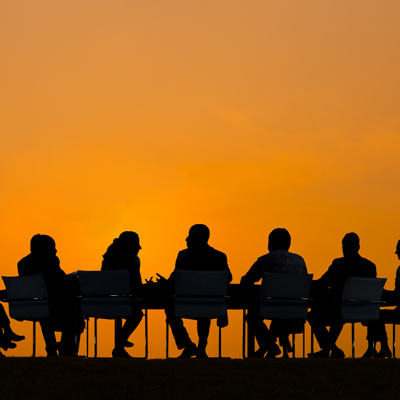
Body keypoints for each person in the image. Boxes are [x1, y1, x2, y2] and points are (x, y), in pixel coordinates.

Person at [159, 224, 232, 359]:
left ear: (196, 238)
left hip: (185, 304)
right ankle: (201, 347)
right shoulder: (219, 257)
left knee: (169, 309)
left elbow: (174, 279)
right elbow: (228, 278)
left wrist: (165, 283)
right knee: (204, 307)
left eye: (189, 236)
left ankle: (187, 345)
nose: (186, 239)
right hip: (212, 305)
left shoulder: (184, 255)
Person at [240, 228, 307, 358]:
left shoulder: (266, 260)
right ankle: (270, 346)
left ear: (271, 243)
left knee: (252, 316)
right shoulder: (300, 261)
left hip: (272, 307)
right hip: (296, 309)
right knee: (280, 314)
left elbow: (247, 280)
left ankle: (269, 346)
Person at [307, 232, 376, 358]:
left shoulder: (338, 264)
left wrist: (306, 283)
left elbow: (322, 283)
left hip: (338, 309)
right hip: (364, 311)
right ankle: (331, 348)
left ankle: (329, 348)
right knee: (335, 314)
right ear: (358, 247)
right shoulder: (370, 266)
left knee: (313, 315)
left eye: (344, 247)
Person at [18, 234, 83, 356]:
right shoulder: (50, 260)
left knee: (49, 312)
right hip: (54, 305)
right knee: (74, 310)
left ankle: (53, 347)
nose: (55, 250)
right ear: (45, 249)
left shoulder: (23, 263)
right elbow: (60, 279)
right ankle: (67, 348)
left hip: (31, 305)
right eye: (53, 247)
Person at [101, 231, 144, 359]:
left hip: (104, 304)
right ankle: (120, 344)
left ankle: (120, 343)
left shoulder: (107, 259)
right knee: (137, 314)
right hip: (124, 303)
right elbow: (137, 285)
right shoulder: (132, 260)